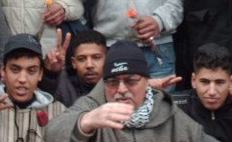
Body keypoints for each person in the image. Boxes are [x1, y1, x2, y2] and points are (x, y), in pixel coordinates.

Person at [46, 40, 216, 141]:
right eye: (112, 82)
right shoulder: (92, 106)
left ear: (147, 81)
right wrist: (85, 122)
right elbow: (52, 133)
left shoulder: (167, 112)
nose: (121, 89)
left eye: (131, 81)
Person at [0, 33, 66, 141]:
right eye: (15, 70)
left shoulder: (58, 111)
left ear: (40, 74)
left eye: (31, 71)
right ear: (3, 71)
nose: (22, 79)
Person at [173, 43, 232, 142]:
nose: (212, 91)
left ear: (231, 82)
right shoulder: (174, 107)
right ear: (194, 80)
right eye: (205, 82)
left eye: (219, 82)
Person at [42, 29, 108, 107]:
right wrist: (51, 74)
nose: (89, 65)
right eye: (82, 59)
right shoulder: (64, 84)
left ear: (107, 58)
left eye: (96, 58)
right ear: (74, 63)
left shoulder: (117, 83)